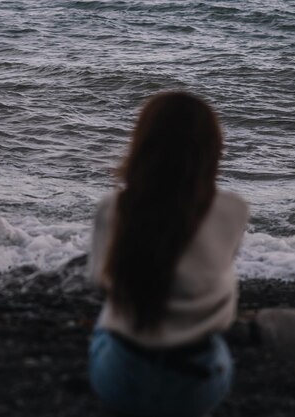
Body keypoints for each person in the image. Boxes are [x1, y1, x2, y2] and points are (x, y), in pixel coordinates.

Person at [88, 91, 249, 416]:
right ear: (212, 149)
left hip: (121, 378)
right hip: (197, 381)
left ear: (143, 144)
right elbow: (221, 265)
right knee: (217, 346)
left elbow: (98, 280)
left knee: (105, 324)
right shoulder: (233, 209)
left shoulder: (113, 207)